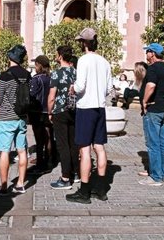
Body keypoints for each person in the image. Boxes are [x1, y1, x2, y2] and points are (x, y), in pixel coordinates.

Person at [66, 28, 113, 204]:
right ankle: (101, 189)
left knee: (84, 149)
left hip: (86, 108)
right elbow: (109, 89)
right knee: (99, 147)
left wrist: (72, 88)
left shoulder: (84, 60)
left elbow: (80, 86)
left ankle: (84, 191)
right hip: (100, 107)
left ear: (85, 43)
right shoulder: (105, 62)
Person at [0, 45, 31, 196]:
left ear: (10, 58)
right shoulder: (27, 75)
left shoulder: (4, 76)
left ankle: (3, 186)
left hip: (7, 117)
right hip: (22, 116)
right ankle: (21, 183)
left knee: (5, 151)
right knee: (22, 150)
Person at [138, 43, 164, 187]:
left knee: (153, 144)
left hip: (153, 109)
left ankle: (155, 177)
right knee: (163, 143)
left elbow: (151, 85)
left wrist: (144, 101)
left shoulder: (153, 69)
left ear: (153, 54)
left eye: (148, 51)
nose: (146, 54)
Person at [48, 45, 79, 189]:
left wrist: (49, 112)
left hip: (60, 110)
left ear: (60, 56)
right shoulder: (76, 72)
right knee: (73, 142)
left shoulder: (56, 74)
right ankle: (76, 173)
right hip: (74, 110)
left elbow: (51, 96)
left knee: (62, 144)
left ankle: (65, 178)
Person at [30, 55, 53, 174]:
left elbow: (32, 94)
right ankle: (49, 161)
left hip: (37, 112)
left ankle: (40, 164)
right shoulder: (51, 77)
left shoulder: (36, 78)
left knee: (39, 140)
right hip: (49, 111)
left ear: (39, 65)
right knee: (48, 137)